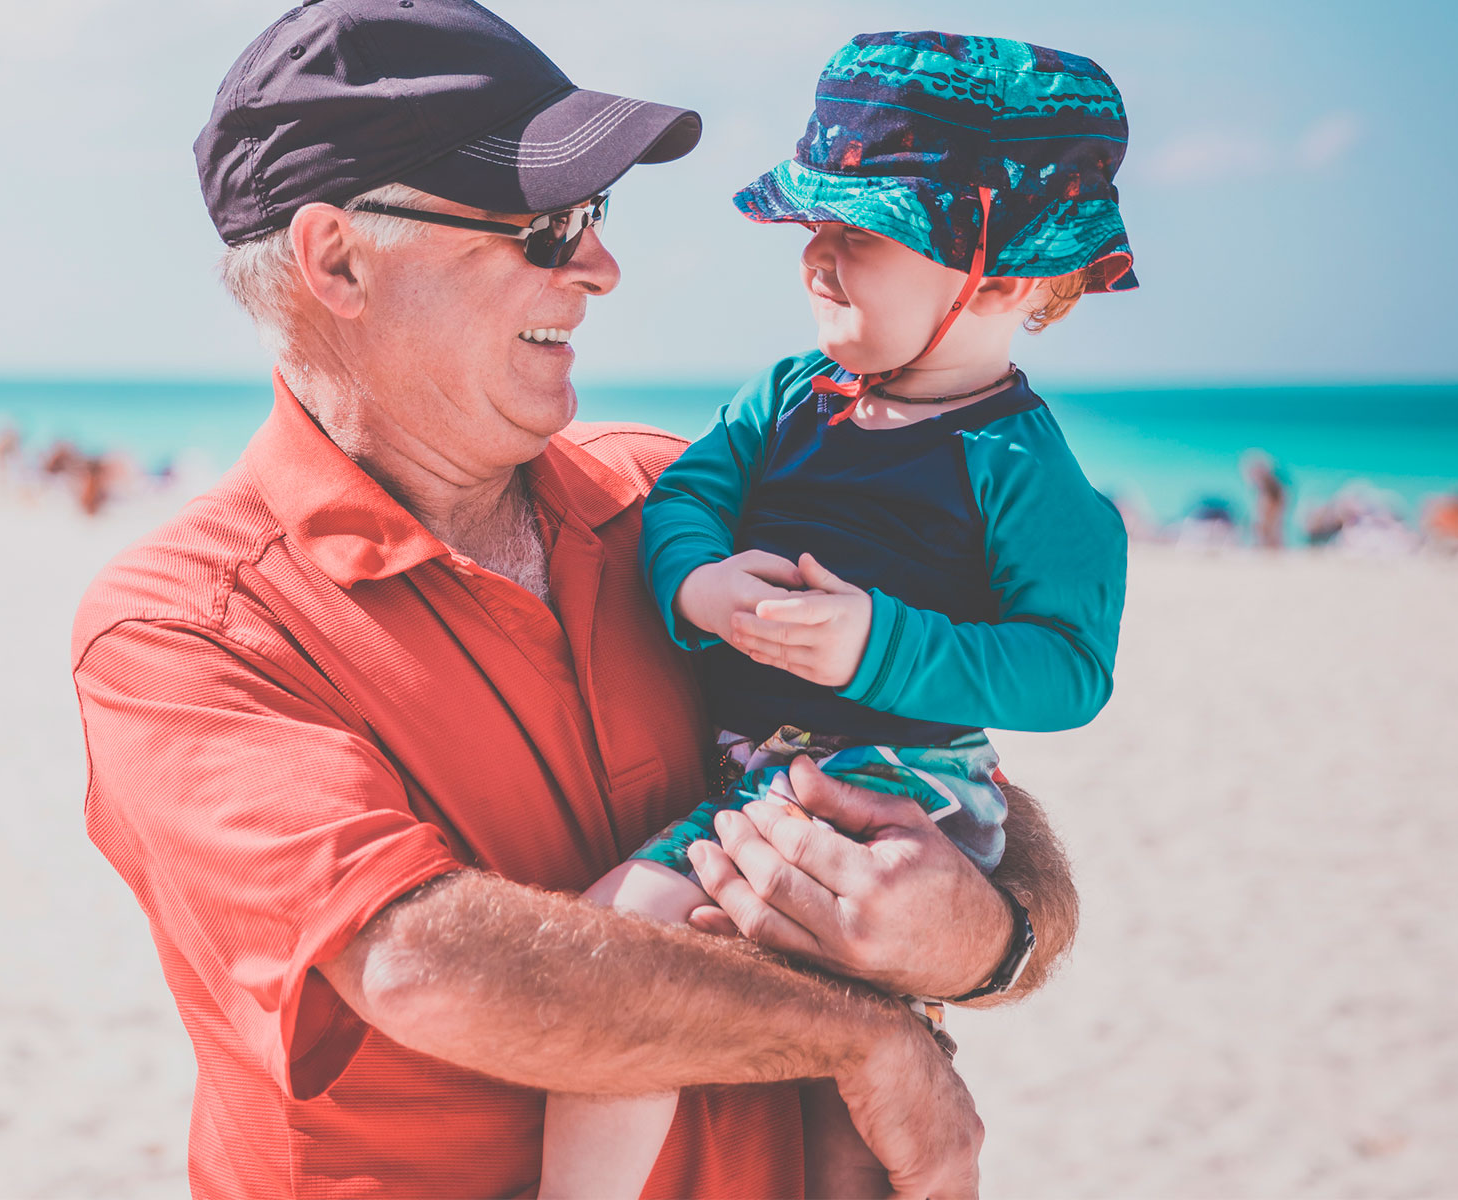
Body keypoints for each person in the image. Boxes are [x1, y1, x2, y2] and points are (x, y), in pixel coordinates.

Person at [71, 3, 1080, 1196]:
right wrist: (866, 1036)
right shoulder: (184, 629)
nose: (600, 266)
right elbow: (425, 965)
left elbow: (966, 776)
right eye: (547, 228)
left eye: (596, 217)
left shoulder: (673, 504)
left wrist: (993, 935)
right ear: (337, 258)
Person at [537, 33, 1132, 1199]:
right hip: (755, 767)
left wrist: (881, 643)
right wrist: (697, 583)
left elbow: (1069, 669)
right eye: (812, 227)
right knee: (836, 1074)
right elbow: (692, 495)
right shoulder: (788, 396)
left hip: (898, 788)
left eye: (858, 233)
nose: (815, 257)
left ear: (1000, 280)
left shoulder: (1020, 466)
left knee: (630, 942)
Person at [1242, 450, 1290, 550]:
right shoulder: (1268, 489)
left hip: (1272, 526)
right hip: (1271, 527)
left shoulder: (1273, 489)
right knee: (1270, 534)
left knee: (1272, 534)